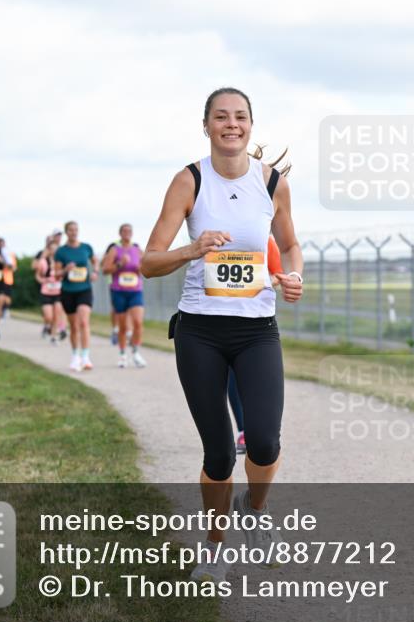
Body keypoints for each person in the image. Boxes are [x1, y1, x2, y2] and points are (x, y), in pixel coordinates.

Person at [141, 87, 304, 583]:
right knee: (217, 451)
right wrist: (193, 250)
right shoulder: (189, 180)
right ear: (206, 125)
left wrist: (293, 274)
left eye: (240, 117)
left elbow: (290, 244)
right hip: (201, 333)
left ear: (251, 125)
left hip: (258, 331)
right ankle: (214, 545)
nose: (231, 124)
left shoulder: (272, 182)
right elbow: (148, 261)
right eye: (221, 117)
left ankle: (255, 513)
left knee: (265, 441)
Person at [229, 235, 284, 453]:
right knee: (231, 379)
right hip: (216, 319)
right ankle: (243, 431)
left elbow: (278, 274)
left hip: (254, 321)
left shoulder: (263, 236)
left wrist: (259, 281)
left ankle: (258, 431)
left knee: (256, 381)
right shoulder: (212, 232)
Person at [102, 223, 148, 368]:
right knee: (122, 327)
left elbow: (146, 269)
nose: (127, 233)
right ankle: (122, 355)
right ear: (120, 233)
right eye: (124, 231)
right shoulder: (114, 250)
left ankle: (135, 352)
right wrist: (120, 264)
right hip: (119, 291)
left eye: (129, 231)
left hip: (135, 291)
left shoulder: (138, 250)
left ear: (132, 233)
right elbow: (105, 270)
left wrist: (140, 269)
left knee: (138, 323)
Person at [54, 221, 97, 371]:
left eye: (76, 230)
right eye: (71, 230)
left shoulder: (86, 248)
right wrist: (66, 269)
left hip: (84, 289)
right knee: (74, 326)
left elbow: (94, 261)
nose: (74, 232)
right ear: (66, 232)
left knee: (84, 322)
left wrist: (95, 272)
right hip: (68, 291)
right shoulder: (61, 251)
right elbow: (56, 274)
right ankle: (75, 356)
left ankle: (85, 357)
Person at [35, 238, 66, 343]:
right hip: (46, 292)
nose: (54, 251)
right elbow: (38, 276)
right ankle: (47, 325)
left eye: (56, 249)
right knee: (49, 316)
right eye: (52, 249)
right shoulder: (43, 262)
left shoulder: (61, 262)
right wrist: (44, 280)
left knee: (57, 315)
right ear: (48, 250)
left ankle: (53, 336)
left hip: (58, 292)